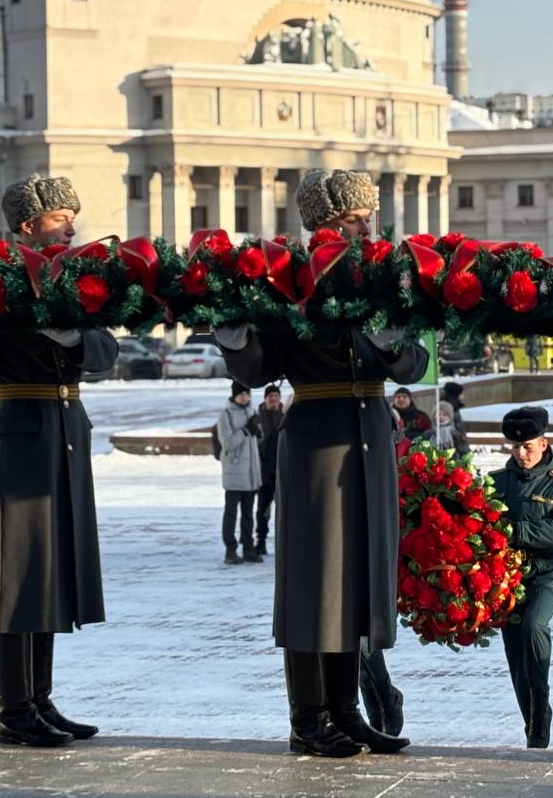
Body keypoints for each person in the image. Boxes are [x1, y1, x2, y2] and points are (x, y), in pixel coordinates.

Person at [217, 168, 426, 758]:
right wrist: (235, 339)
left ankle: (345, 708)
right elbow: (260, 368)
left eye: (369, 216)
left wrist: (391, 341)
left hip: (368, 432)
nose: (368, 226)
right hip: (317, 436)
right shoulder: (289, 276)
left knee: (356, 575)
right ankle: (308, 714)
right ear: (326, 223)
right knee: (315, 580)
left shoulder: (383, 275)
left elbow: (411, 364)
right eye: (357, 218)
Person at [0, 173, 116, 748]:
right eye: (62, 215)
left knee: (51, 570)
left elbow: (106, 351)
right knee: (18, 575)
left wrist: (73, 339)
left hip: (67, 428)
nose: (72, 223)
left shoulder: (74, 276)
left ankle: (39, 698)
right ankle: (13, 709)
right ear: (27, 226)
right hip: (20, 429)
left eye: (72, 213)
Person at [490, 406, 553, 748]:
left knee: (534, 626)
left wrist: (515, 530)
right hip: (506, 578)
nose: (521, 453)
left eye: (528, 446)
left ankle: (540, 704)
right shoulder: (496, 483)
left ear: (544, 443)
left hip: (548, 574)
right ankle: (533, 719)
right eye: (515, 447)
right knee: (516, 652)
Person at [217, 382, 263, 565]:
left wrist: (258, 432)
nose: (244, 397)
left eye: (247, 394)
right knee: (231, 513)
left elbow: (257, 441)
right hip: (234, 472)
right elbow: (227, 443)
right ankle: (230, 549)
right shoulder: (226, 414)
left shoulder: (251, 411)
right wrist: (246, 430)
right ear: (234, 396)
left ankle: (248, 548)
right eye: (241, 394)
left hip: (251, 474)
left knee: (248, 514)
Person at [255, 384, 284, 557]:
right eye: (270, 396)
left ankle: (282, 542)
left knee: (283, 510)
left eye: (275, 396)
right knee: (263, 510)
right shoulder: (257, 417)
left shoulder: (286, 416)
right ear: (265, 398)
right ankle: (261, 541)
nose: (273, 399)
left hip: (282, 471)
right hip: (264, 471)